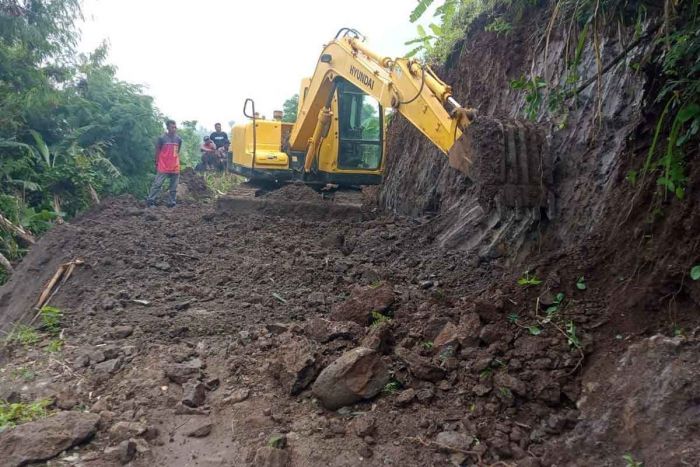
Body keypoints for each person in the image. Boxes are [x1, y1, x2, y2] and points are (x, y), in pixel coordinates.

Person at [146, 120, 182, 207]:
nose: (174, 129)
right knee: (157, 184)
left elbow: (178, 151)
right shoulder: (161, 138)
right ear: (168, 128)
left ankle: (172, 203)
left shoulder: (179, 139)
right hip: (163, 165)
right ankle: (150, 201)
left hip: (175, 166)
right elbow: (157, 151)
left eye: (175, 127)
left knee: (174, 187)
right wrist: (157, 162)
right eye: (172, 127)